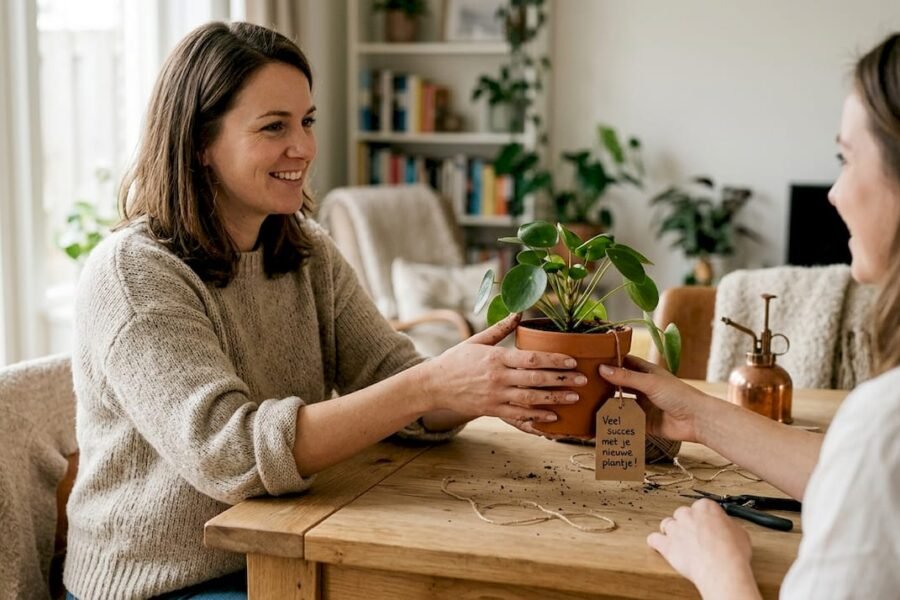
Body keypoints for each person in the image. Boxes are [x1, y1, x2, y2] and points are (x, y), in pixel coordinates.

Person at [63, 22, 587, 599]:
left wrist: (475, 386)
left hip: (288, 546)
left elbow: (390, 377)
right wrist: (431, 385)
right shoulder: (134, 274)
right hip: (162, 584)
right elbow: (230, 455)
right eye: (274, 127)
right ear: (200, 144)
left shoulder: (305, 250)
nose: (305, 148)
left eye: (307, 121)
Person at [599, 32, 900, 600]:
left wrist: (720, 568)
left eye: (846, 158)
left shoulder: (884, 422)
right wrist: (698, 417)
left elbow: (874, 461)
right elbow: (863, 478)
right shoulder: (880, 440)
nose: (834, 194)